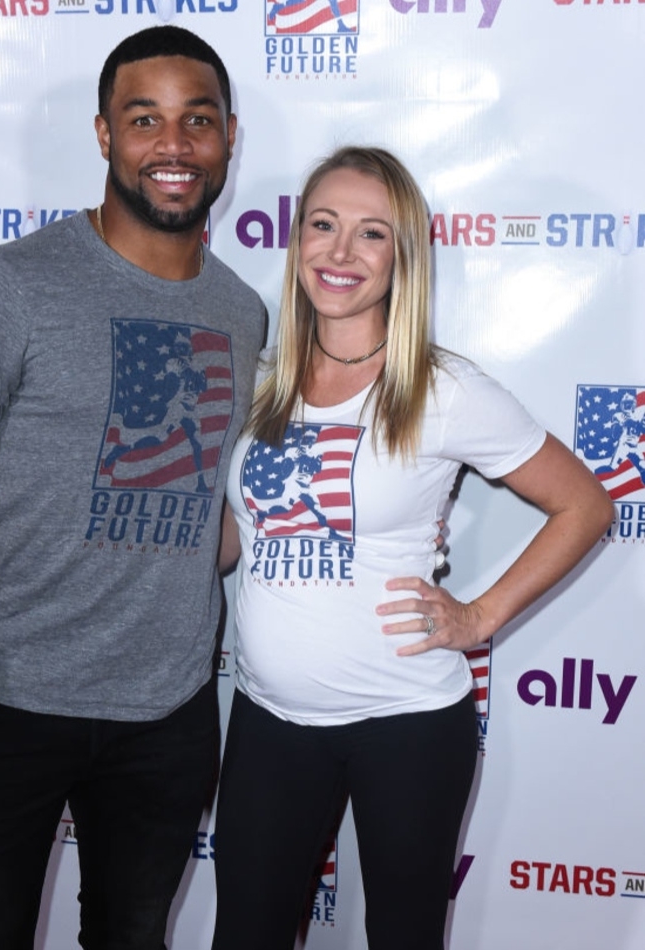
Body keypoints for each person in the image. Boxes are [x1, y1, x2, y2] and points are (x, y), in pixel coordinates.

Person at [0, 25, 265, 950]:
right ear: (103, 135)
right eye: (145, 118)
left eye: (196, 119)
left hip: (166, 719)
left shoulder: (243, 312)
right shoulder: (17, 286)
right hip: (3, 705)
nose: (173, 145)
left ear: (229, 138)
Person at [211, 146, 614, 950]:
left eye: (372, 235)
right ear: (296, 245)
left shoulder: (442, 389)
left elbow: (586, 504)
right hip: (267, 718)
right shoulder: (257, 380)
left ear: (403, 261)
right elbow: (238, 536)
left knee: (404, 937)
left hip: (408, 723)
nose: (340, 252)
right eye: (322, 225)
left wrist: (480, 616)